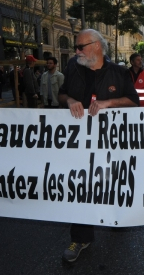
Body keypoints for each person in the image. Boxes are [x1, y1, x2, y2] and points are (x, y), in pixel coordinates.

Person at [58, 29, 139, 262]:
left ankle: (116, 216)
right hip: (79, 144)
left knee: (112, 181)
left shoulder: (119, 73)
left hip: (112, 143)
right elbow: (61, 95)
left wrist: (109, 102)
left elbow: (134, 102)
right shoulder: (73, 68)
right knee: (80, 186)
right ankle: (81, 237)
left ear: (97, 46)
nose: (76, 51)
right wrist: (71, 100)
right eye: (76, 47)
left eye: (81, 46)